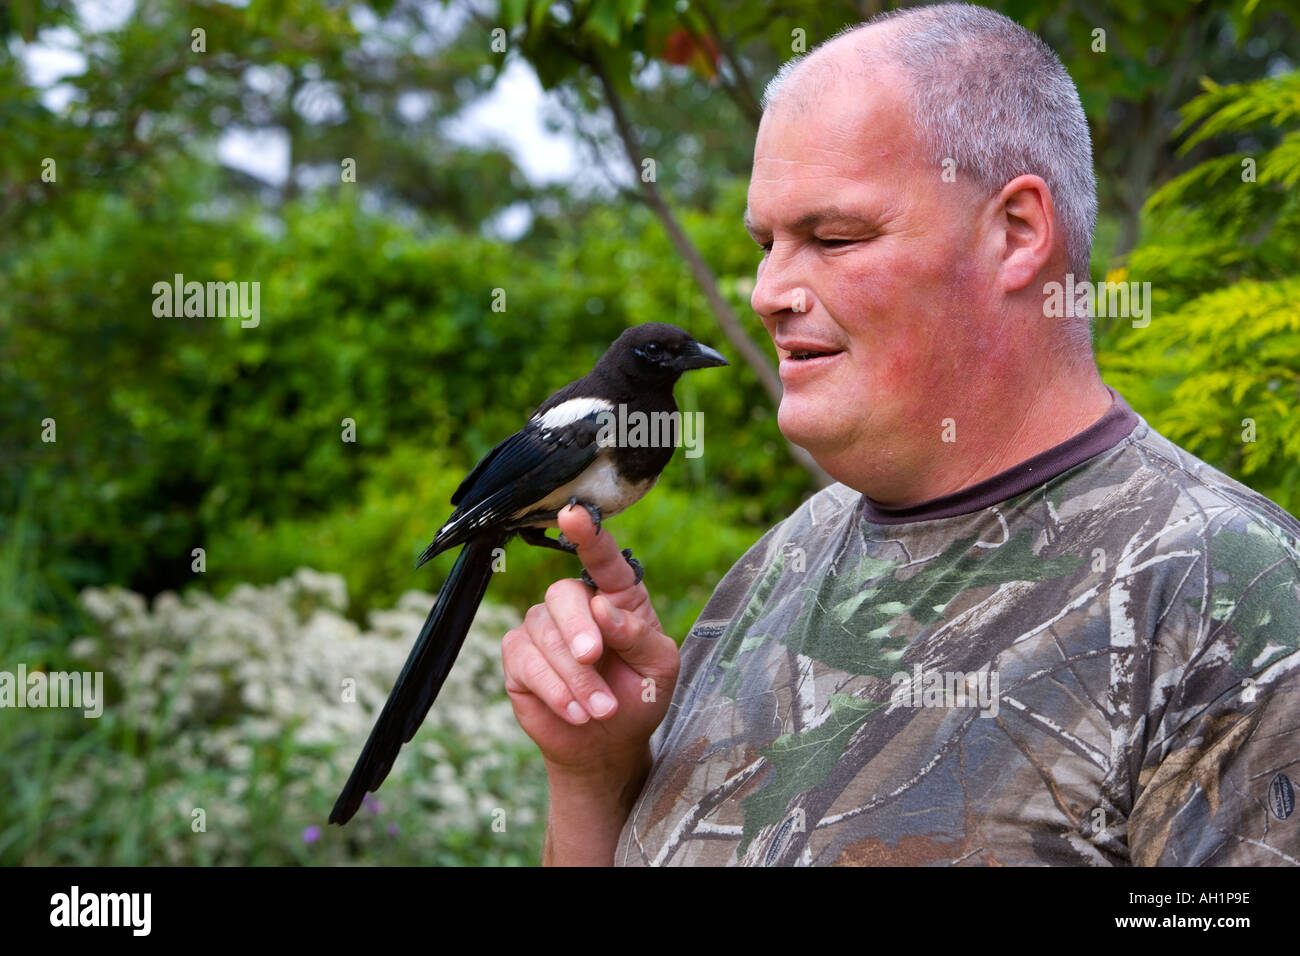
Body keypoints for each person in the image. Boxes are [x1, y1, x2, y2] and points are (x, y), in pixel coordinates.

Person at [500, 3, 1300, 866]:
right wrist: (595, 777)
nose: (768, 290)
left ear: (1017, 233)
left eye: (832, 236)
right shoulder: (777, 566)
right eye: (767, 243)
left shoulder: (1230, 593)